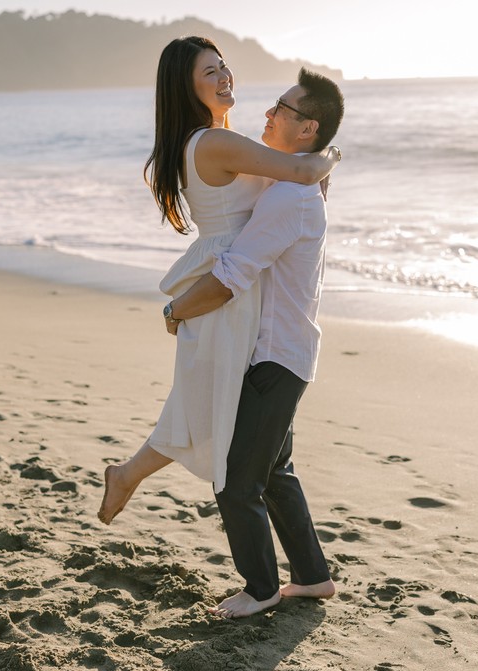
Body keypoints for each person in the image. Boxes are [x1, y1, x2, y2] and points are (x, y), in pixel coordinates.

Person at [97, 36, 340, 524]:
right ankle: (126, 475)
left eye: (223, 66)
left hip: (234, 273)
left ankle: (127, 474)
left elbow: (289, 180)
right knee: (208, 403)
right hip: (229, 280)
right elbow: (299, 168)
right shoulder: (215, 141)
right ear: (186, 88)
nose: (224, 76)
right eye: (210, 73)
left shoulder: (218, 138)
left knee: (209, 400)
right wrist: (332, 153)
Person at [162, 67, 345, 618]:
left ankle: (261, 588)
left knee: (236, 482)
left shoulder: (289, 198)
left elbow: (231, 275)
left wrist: (176, 308)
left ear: (307, 128)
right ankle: (311, 577)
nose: (267, 115)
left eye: (281, 110)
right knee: (274, 471)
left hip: (276, 357)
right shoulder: (290, 185)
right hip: (283, 351)